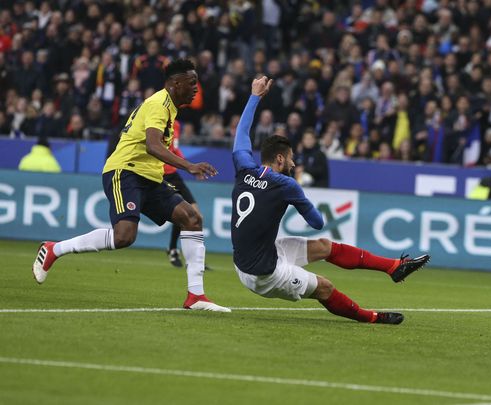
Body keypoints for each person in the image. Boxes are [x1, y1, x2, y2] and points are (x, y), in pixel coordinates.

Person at [32, 59, 229, 312]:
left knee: (191, 218)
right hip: (125, 172)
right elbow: (153, 146)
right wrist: (188, 165)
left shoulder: (169, 106)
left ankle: (196, 296)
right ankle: (53, 249)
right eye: (192, 83)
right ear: (175, 83)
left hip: (150, 177)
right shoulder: (159, 104)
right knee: (124, 236)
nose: (196, 88)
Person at [231, 76, 430, 325]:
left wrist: (255, 97)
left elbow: (242, 132)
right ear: (280, 160)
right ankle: (371, 318)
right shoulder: (286, 184)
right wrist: (300, 197)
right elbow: (316, 221)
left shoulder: (244, 167)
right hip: (263, 274)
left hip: (252, 257)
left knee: (325, 246)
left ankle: (393, 267)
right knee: (324, 287)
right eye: (291, 159)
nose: (294, 163)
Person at [163, 120, 205, 268]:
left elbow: (174, 149)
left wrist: (190, 166)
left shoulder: (177, 124)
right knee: (182, 213)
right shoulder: (157, 119)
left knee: (196, 215)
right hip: (160, 174)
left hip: (173, 174)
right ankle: (173, 249)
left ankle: (194, 258)